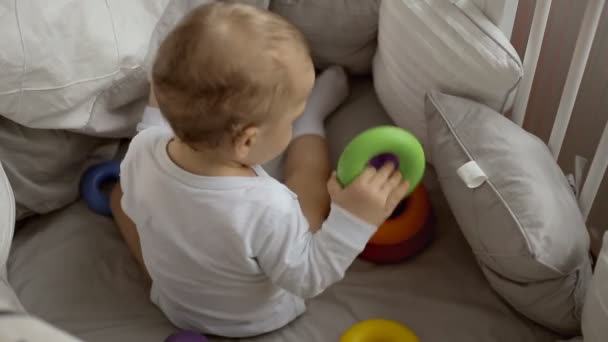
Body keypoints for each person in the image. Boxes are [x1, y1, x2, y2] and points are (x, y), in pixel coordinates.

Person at [109, 2, 409, 338]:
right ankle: (314, 121)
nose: (289, 124)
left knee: (123, 193)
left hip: (175, 305)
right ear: (247, 142)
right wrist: (354, 218)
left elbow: (151, 126)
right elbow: (308, 277)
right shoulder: (269, 205)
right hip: (255, 319)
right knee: (308, 186)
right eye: (291, 119)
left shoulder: (142, 147)